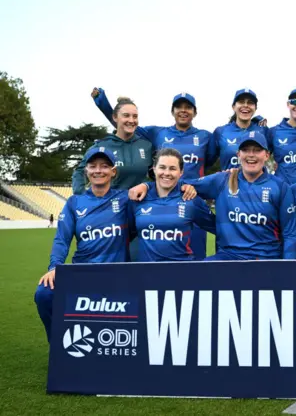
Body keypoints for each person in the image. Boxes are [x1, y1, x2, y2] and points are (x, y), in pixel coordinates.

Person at [92, 88, 217, 260]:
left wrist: (255, 122)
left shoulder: (205, 136)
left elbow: (212, 160)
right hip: (162, 203)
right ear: (172, 111)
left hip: (190, 202)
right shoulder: (158, 133)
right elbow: (125, 123)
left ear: (195, 112)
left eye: (188, 107)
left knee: (195, 262)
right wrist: (102, 102)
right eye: (178, 107)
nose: (183, 110)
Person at [130, 131, 296, 260]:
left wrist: (286, 266)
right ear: (238, 154)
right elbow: (175, 181)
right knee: (199, 277)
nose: (251, 155)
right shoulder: (222, 179)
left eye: (257, 150)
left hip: (267, 258)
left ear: (266, 155)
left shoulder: (280, 187)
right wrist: (147, 185)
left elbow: (289, 233)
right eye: (246, 150)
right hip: (228, 258)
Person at [35, 148, 130, 341]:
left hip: (117, 274)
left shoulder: (125, 199)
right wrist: (55, 266)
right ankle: (58, 346)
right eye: (93, 166)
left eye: (104, 166)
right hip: (82, 272)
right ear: (86, 170)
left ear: (113, 172)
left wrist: (146, 187)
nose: (98, 170)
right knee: (44, 294)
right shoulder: (74, 202)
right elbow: (62, 239)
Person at [129, 148, 216, 261]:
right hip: (147, 273)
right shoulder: (138, 198)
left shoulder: (190, 199)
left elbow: (219, 229)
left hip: (181, 272)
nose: (167, 173)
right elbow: (125, 235)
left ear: (181, 172)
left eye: (172, 169)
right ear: (154, 169)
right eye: (162, 167)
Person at [72, 97, 153, 195]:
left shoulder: (147, 145)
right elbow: (80, 172)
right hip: (109, 206)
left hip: (138, 206)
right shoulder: (101, 145)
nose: (131, 120)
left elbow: (159, 174)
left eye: (135, 116)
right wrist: (81, 195)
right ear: (115, 117)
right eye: (126, 116)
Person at [213, 88, 269, 171]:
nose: (246, 105)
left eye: (250, 103)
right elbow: (206, 162)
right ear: (233, 107)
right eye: (241, 102)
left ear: (255, 108)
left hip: (256, 183)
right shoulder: (220, 132)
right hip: (229, 183)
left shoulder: (263, 130)